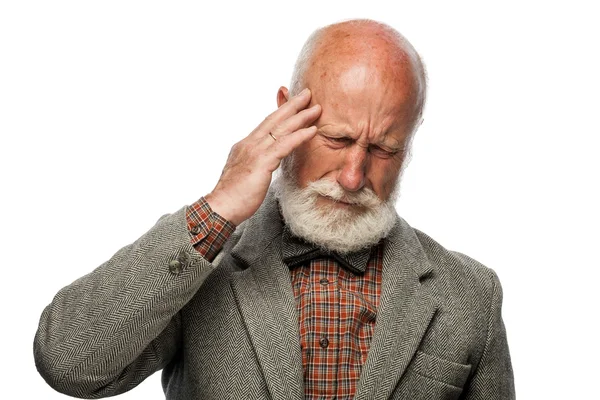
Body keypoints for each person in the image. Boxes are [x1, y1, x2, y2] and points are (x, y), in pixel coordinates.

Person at [34, 19, 515, 400]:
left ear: (409, 141)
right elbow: (68, 363)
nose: (352, 176)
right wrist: (219, 207)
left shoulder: (472, 296)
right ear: (285, 113)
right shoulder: (204, 263)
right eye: (336, 139)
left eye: (384, 149)